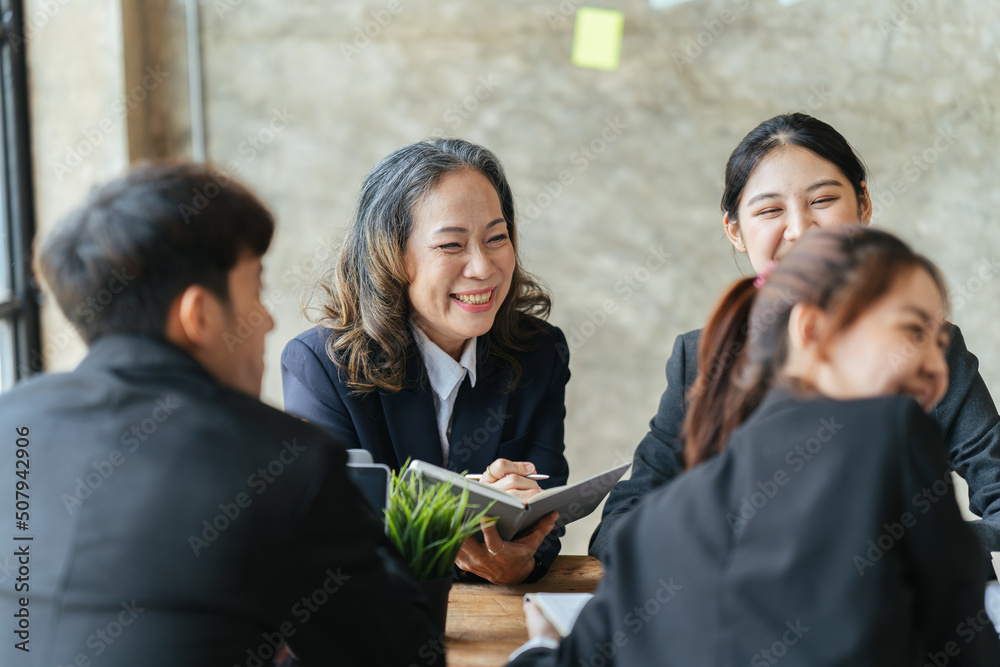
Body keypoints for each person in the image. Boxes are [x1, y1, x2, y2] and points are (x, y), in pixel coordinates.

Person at [0, 164, 438, 667]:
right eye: (256, 288)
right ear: (199, 316)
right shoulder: (281, 462)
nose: (269, 320)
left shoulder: (12, 421)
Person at [509, 226, 1000, 666]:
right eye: (914, 332)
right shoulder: (891, 431)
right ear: (812, 332)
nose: (938, 366)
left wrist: (540, 648)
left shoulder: (648, 531)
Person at [590, 113, 1000, 562]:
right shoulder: (704, 356)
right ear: (735, 230)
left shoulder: (923, 347)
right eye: (769, 210)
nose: (801, 230)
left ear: (863, 204)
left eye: (822, 200)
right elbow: (618, 527)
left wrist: (893, 547)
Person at [281, 139, 568, 585]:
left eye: (497, 238)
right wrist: (459, 514)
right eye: (451, 245)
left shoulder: (539, 352)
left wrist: (522, 559)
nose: (482, 267)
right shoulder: (320, 365)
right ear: (392, 256)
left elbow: (546, 516)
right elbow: (331, 534)